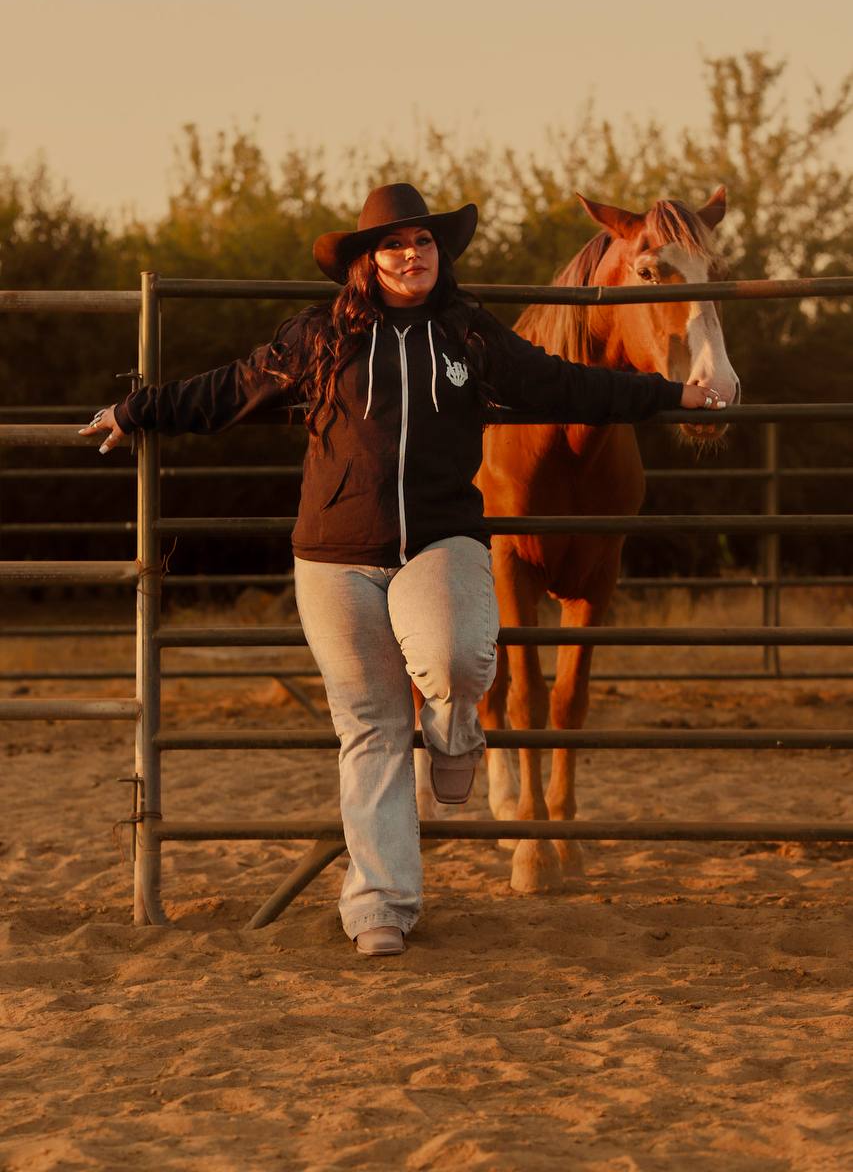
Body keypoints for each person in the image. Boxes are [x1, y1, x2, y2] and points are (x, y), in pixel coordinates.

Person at [80, 183, 726, 957]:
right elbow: (230, 388)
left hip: (439, 545)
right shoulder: (317, 337)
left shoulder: (468, 333)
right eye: (393, 245)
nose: (410, 255)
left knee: (460, 662)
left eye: (422, 243)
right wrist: (136, 410)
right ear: (366, 261)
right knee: (372, 729)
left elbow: (564, 382)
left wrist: (667, 394)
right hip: (334, 557)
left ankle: (456, 736)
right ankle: (380, 906)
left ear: (437, 254)